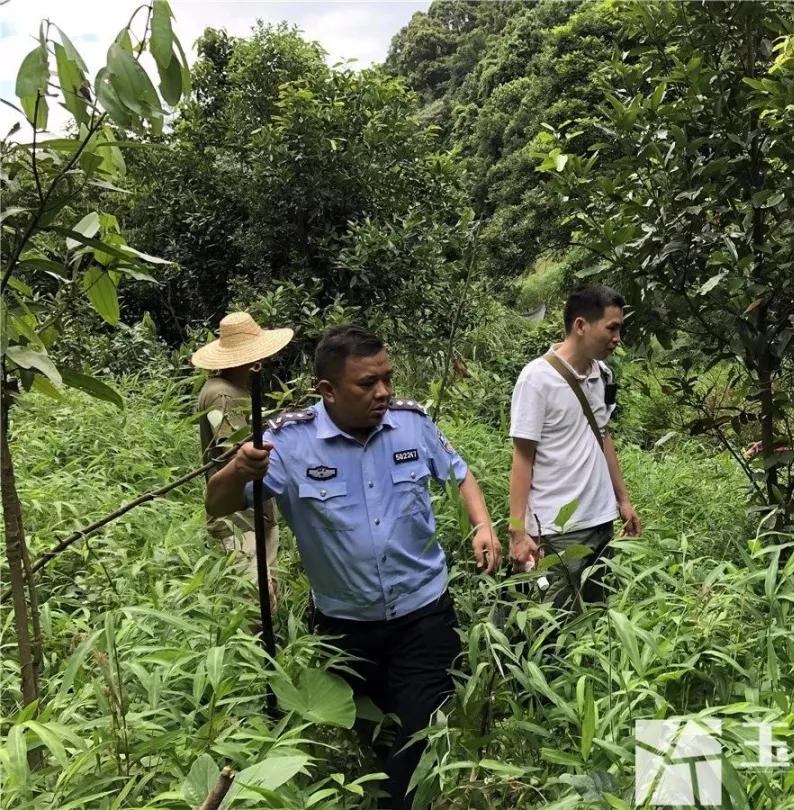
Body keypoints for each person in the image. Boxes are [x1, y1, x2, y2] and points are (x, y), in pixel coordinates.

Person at [205, 325, 502, 810]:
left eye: (387, 378)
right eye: (368, 383)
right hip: (345, 630)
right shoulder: (289, 441)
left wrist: (483, 523)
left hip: (423, 615)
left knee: (416, 742)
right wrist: (238, 468)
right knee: (375, 742)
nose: (383, 392)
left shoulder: (412, 423)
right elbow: (217, 505)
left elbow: (460, 471)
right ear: (327, 390)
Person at [508, 286, 641, 609]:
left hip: (601, 521)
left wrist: (623, 500)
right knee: (548, 623)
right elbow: (522, 458)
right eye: (612, 327)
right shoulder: (536, 379)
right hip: (557, 528)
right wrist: (517, 531)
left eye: (620, 328)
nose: (618, 338)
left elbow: (603, 435)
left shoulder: (604, 375)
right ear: (581, 326)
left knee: (596, 618)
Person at [192, 312, 293, 609]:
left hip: (255, 511)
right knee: (253, 603)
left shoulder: (236, 389)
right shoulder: (221, 395)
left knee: (268, 591)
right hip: (238, 516)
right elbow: (231, 450)